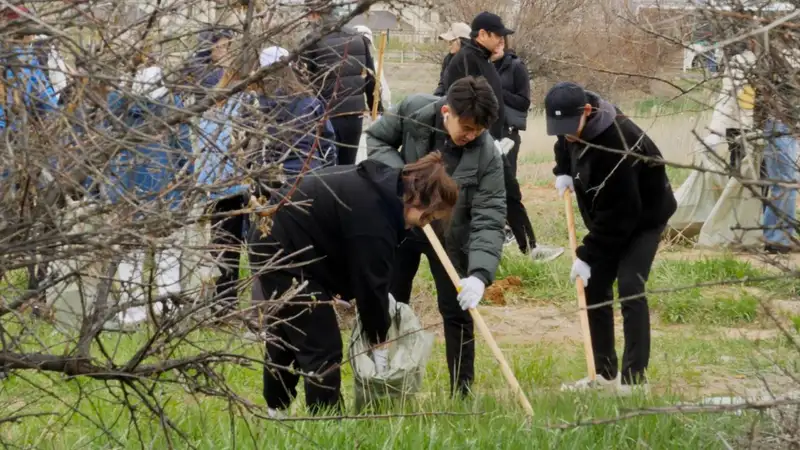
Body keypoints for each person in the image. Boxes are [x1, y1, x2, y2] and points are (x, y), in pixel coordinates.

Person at [248, 153, 459, 416]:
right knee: (320, 344)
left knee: (289, 330)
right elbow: (371, 284)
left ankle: (275, 411)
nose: (424, 224)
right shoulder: (375, 217)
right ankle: (326, 425)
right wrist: (379, 337)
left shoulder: (383, 189)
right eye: (427, 217)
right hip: (280, 248)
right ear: (416, 199)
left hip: (288, 242)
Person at [366, 76, 506, 397]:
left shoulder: (487, 156)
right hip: (403, 226)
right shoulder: (413, 111)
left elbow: (490, 216)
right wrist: (403, 178)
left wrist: (481, 275)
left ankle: (462, 390)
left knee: (457, 312)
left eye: (479, 131)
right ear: (447, 111)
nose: (471, 136)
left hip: (450, 239)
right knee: (389, 302)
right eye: (466, 128)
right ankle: (382, 379)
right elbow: (377, 139)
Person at [545, 82, 677, 394]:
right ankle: (603, 375)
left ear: (587, 112)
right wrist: (563, 169)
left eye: (569, 127)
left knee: (630, 284)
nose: (566, 134)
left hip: (645, 216)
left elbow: (621, 218)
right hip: (613, 216)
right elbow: (565, 144)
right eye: (558, 128)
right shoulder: (572, 127)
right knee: (594, 285)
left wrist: (587, 254)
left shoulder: (617, 145)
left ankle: (634, 381)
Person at [490, 36, 564, 261]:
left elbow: (523, 102)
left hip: (508, 133)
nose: (498, 47)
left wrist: (496, 91)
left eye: (501, 42)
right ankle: (504, 234)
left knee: (507, 186)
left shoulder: (516, 67)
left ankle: (522, 240)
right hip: (485, 132)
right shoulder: (478, 65)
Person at [195, 69, 254, 316]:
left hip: (211, 185)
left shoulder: (206, 112)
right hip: (233, 185)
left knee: (219, 244)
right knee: (231, 246)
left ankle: (219, 302)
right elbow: (246, 149)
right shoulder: (241, 108)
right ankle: (226, 303)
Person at [248, 46, 338, 193]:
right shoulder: (310, 101)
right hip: (309, 174)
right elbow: (327, 142)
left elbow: (248, 148)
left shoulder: (255, 104)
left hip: (269, 177)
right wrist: (328, 173)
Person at [300, 2, 380, 165]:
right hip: (354, 113)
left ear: (314, 14)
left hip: (326, 112)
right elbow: (371, 78)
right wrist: (375, 108)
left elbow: (302, 81)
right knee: (348, 164)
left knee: (325, 165)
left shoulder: (311, 41)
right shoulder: (358, 38)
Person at [441, 11, 512, 140]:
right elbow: (467, 107)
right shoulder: (467, 60)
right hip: (473, 139)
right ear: (483, 34)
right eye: (497, 36)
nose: (501, 40)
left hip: (487, 138)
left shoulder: (483, 59)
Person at [433, 22, 471, 97]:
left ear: (462, 41)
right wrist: (435, 98)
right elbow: (442, 83)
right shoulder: (448, 59)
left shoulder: (472, 62)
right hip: (445, 100)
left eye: (451, 42)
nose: (448, 45)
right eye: (447, 42)